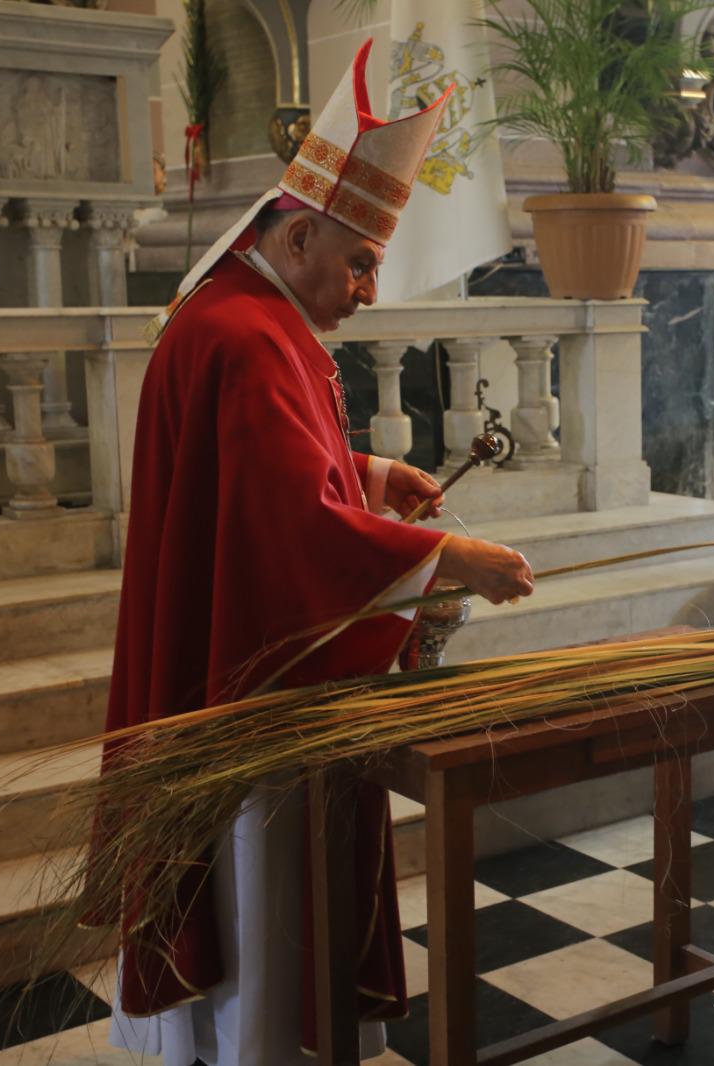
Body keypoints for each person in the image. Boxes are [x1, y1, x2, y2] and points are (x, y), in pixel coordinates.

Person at [99, 41, 534, 1065]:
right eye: (360, 262)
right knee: (263, 876)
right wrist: (449, 555)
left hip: (224, 649)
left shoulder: (244, 314)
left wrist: (364, 473)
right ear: (297, 238)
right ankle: (260, 1041)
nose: (368, 289)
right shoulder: (251, 336)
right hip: (254, 683)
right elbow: (290, 534)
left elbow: (260, 481)